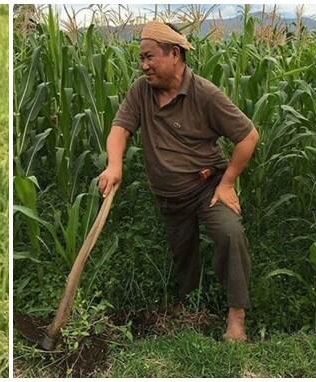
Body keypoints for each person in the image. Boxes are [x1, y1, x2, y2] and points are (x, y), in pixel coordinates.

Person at [98, 21, 260, 342]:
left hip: (207, 189)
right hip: (170, 196)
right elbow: (120, 128)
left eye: (149, 57)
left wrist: (227, 183)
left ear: (174, 54)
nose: (144, 66)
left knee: (230, 235)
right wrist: (114, 165)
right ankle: (191, 309)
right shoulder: (141, 91)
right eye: (140, 59)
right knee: (183, 254)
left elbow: (248, 136)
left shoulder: (206, 94)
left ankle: (236, 319)